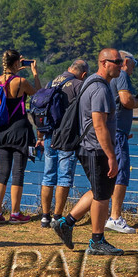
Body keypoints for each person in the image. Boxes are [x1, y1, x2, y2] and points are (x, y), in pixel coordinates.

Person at [52, 49, 125, 256]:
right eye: (117, 61)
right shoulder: (100, 89)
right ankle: (96, 241)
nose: (121, 65)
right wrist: (111, 156)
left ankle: (66, 223)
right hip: (96, 148)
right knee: (102, 195)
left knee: (99, 188)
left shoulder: (91, 81)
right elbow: (99, 125)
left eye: (121, 61)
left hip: (90, 147)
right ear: (104, 62)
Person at [0, 50, 39, 223]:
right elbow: (39, 95)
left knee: (2, 172)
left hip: (1, 131)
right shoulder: (21, 82)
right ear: (17, 63)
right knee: (18, 172)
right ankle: (15, 213)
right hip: (20, 131)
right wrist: (34, 73)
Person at [37, 59, 88, 226]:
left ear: (68, 68)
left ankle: (44, 216)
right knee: (64, 177)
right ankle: (57, 216)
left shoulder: (52, 82)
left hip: (49, 133)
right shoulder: (78, 84)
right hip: (67, 136)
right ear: (84, 74)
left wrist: (40, 135)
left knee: (48, 174)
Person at [107, 51, 138, 234]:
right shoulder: (122, 75)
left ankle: (108, 215)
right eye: (133, 64)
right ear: (126, 61)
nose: (133, 69)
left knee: (110, 173)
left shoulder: (112, 76)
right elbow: (126, 100)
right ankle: (115, 217)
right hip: (118, 134)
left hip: (115, 132)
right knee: (121, 173)